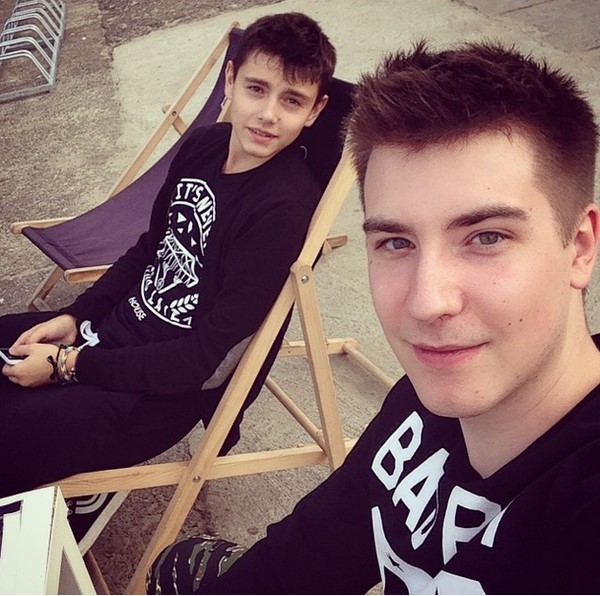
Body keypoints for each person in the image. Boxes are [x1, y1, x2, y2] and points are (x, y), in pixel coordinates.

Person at [147, 40, 600, 594]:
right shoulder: (421, 407)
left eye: (487, 237)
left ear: (579, 247)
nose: (427, 302)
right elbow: (308, 553)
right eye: (395, 242)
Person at [0, 12, 336, 542]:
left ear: (315, 110)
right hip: (104, 333)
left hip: (154, 395)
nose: (268, 114)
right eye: (256, 89)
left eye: (291, 101)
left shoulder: (282, 211)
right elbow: (149, 248)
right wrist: (74, 316)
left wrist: (68, 365)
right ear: (230, 80)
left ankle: (80, 484)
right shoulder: (204, 146)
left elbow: (203, 363)